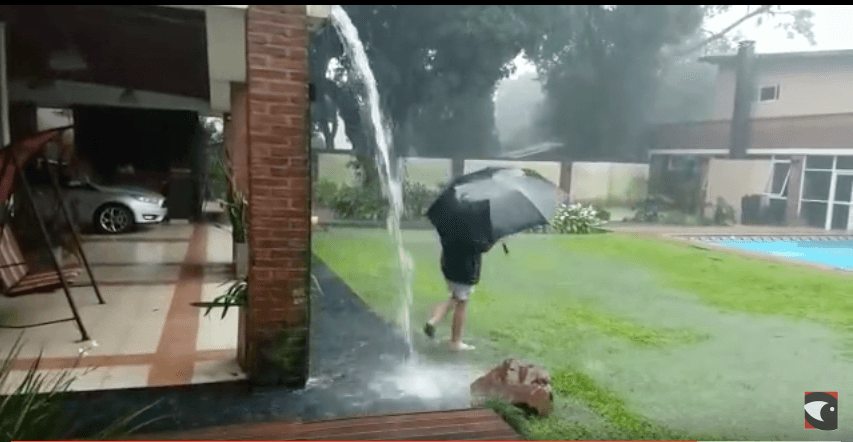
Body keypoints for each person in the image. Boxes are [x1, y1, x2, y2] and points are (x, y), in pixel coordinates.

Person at [423, 237, 489, 351]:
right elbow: (483, 245)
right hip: (465, 264)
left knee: (455, 297)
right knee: (462, 301)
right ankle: (455, 341)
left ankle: (433, 320)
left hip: (448, 261)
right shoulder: (473, 225)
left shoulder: (450, 221)